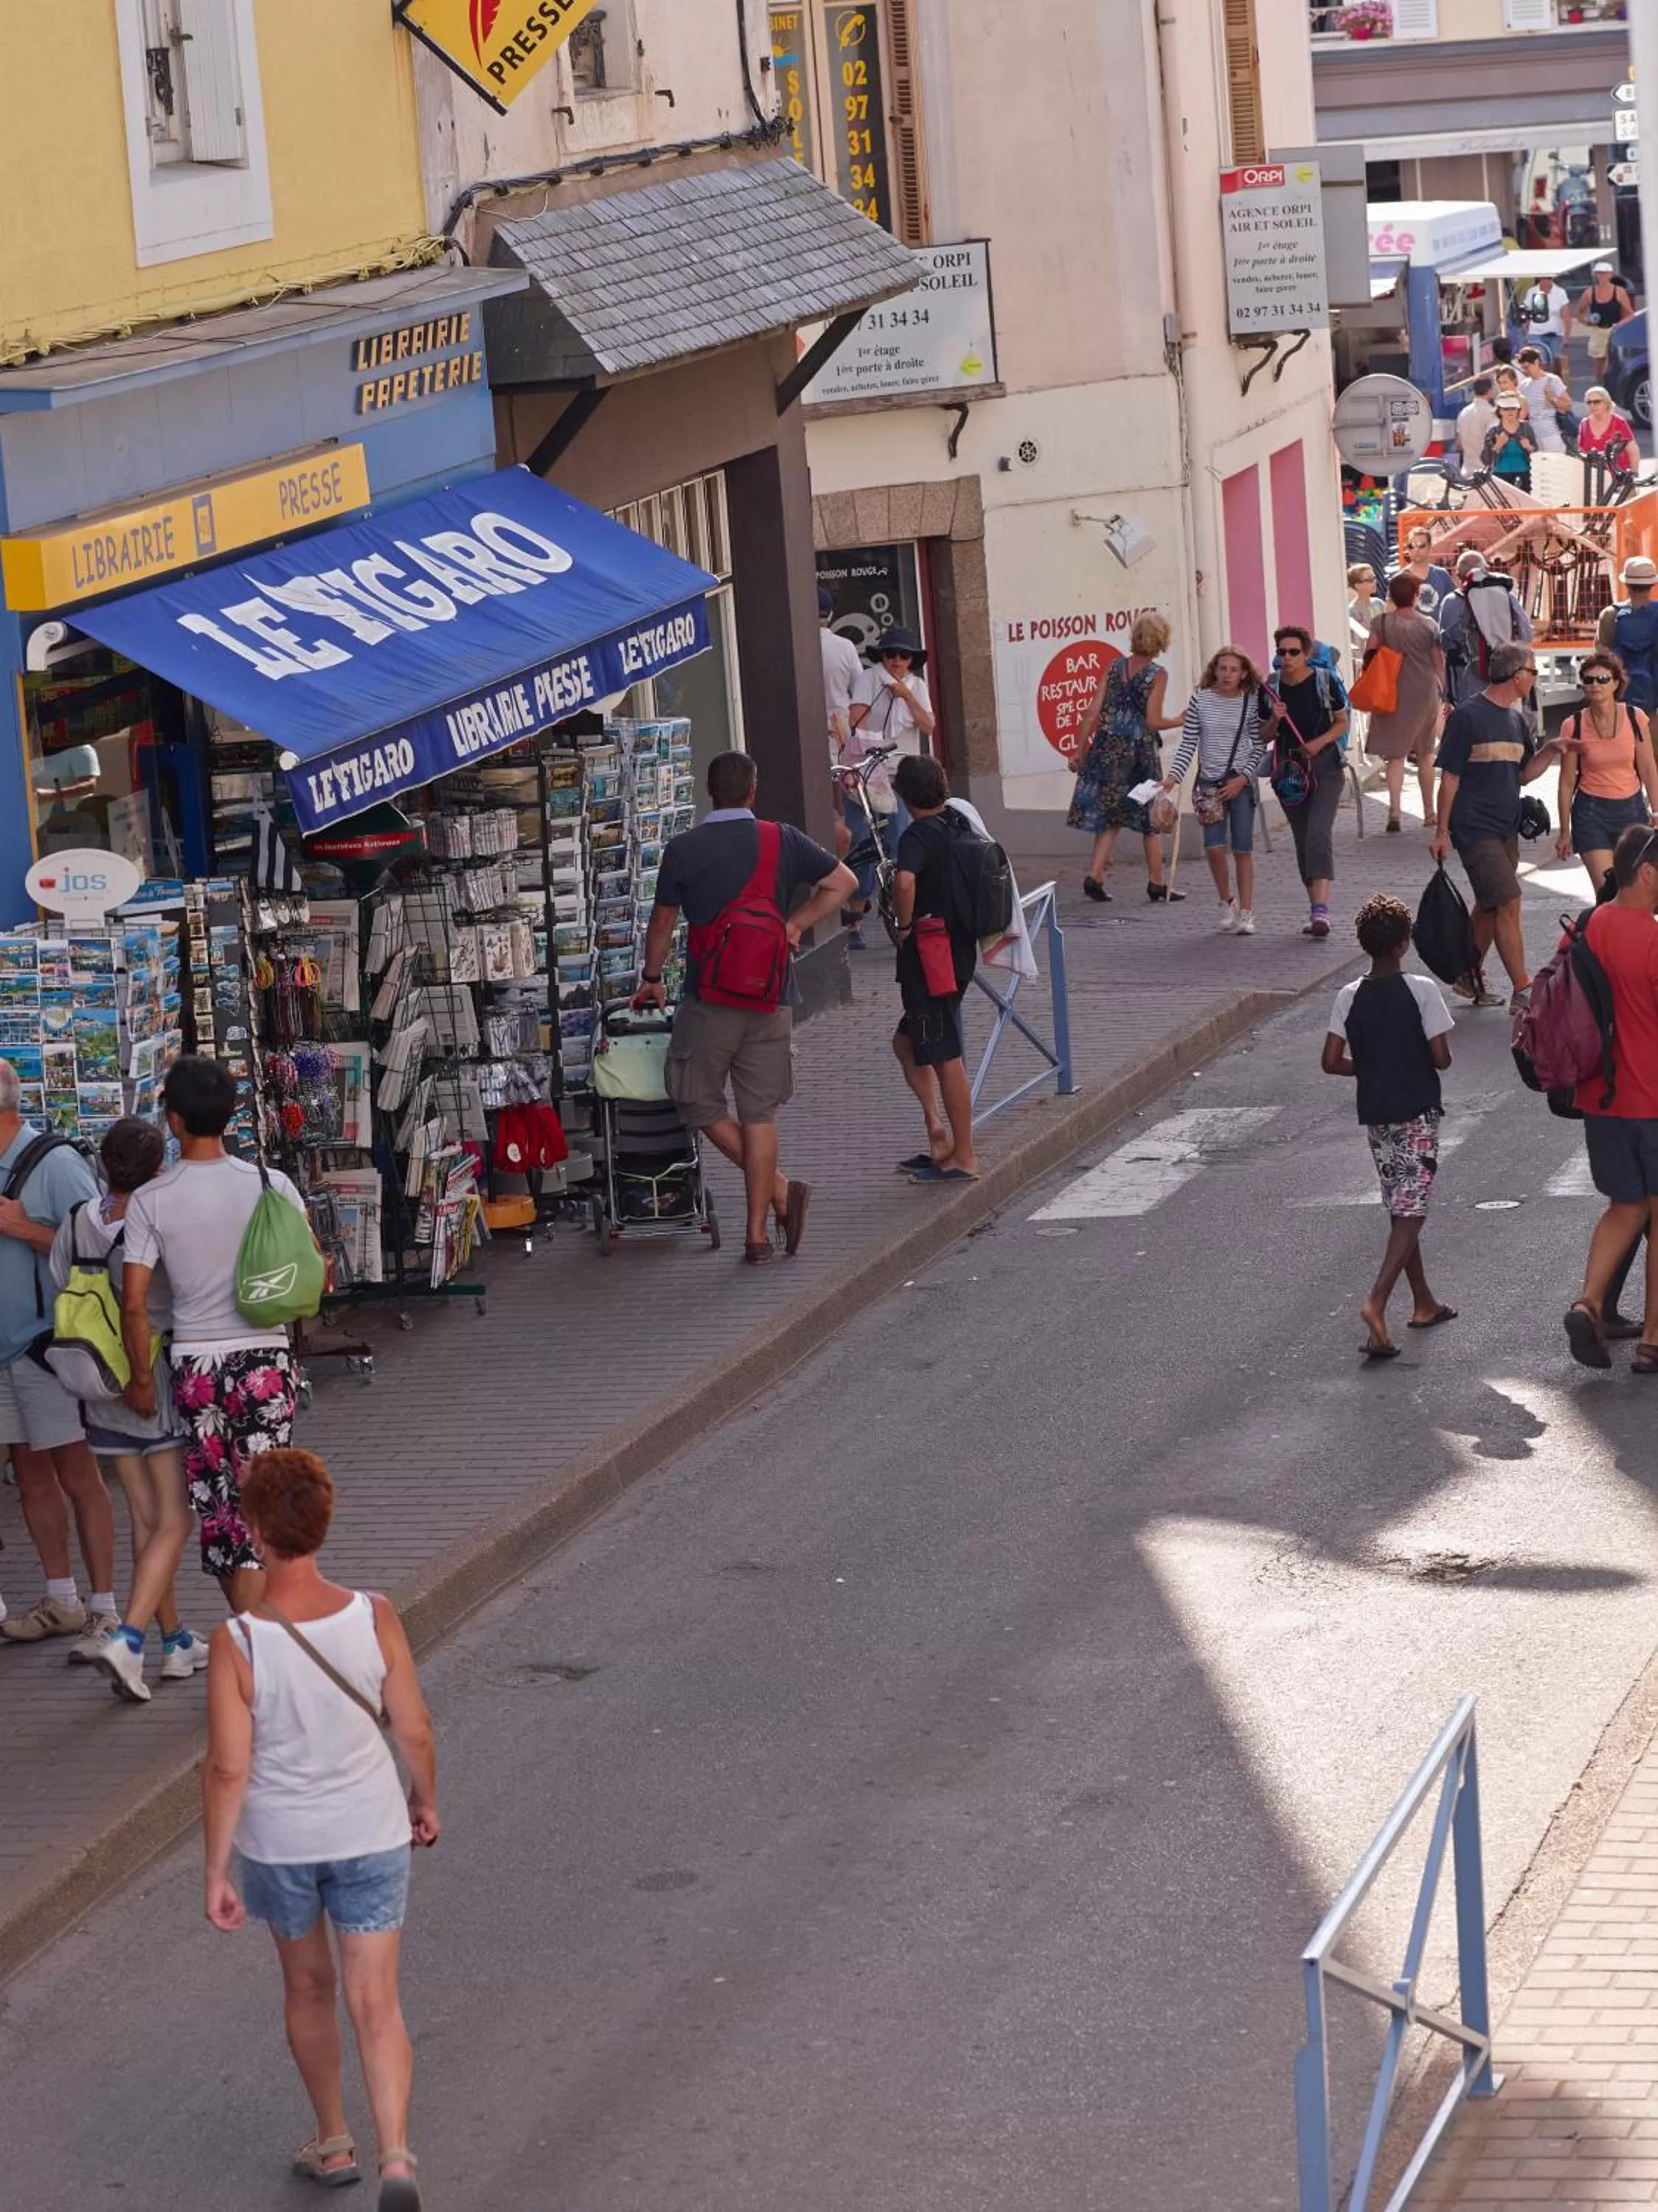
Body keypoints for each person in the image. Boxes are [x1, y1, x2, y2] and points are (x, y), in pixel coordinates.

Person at [203, 1447, 437, 2211]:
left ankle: (333, 2139)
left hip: (281, 1845)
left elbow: (228, 1770)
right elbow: (414, 1729)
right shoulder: (375, 1616)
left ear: (255, 1531)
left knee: (308, 1988)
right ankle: (396, 2156)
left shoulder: (237, 1642)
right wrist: (423, 1798)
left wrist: (215, 1870)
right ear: (323, 1523)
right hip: (370, 1831)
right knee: (378, 2000)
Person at [636, 751, 854, 1265]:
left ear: (709, 791)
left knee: (697, 1100)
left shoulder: (685, 849)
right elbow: (845, 883)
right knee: (760, 1113)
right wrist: (794, 924)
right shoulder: (784, 839)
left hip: (708, 1000)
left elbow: (663, 924)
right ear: (752, 791)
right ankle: (757, 1232)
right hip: (772, 996)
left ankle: (781, 1192)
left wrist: (651, 979)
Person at [119, 1056, 310, 1613]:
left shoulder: (152, 1200)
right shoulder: (270, 1185)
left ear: (173, 1120)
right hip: (264, 1359)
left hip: (196, 1367)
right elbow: (312, 1266)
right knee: (265, 1500)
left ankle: (253, 1636)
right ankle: (260, 1635)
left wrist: (139, 1379)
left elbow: (134, 1302)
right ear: (231, 1114)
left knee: (220, 1506)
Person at [47, 1118, 206, 1703]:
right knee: (171, 1520)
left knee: (144, 1519)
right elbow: (170, 1296)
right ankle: (136, 1646)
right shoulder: (153, 1220)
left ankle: (177, 1640)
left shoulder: (75, 1221)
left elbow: (59, 1283)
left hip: (97, 1388)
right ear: (158, 1167)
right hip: (150, 1380)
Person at [0, 1062, 119, 1658]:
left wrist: (26, 1229)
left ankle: (104, 1609)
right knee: (31, 1477)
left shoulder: (52, 1162)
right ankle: (61, 1598)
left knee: (78, 1477)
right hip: (6, 1353)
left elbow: (100, 1247)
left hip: (49, 1348)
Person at [1321, 893, 1457, 1360]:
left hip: (1376, 1113)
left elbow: (1330, 1061)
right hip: (1416, 1111)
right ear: (1404, 944)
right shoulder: (1422, 990)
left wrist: (1370, 1066)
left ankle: (1424, 1302)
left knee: (1401, 1204)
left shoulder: (1349, 996)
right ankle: (1376, 1302)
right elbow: (1441, 1057)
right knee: (1413, 1209)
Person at [1560, 823, 1658, 1373]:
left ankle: (1588, 1302)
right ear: (1645, 874)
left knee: (1628, 1205)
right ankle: (1652, 1342)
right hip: (1652, 1097)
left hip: (1600, 1097)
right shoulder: (1653, 938)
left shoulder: (1586, 926)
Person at [1432, 640, 1562, 1011]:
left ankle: (1467, 976)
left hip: (1507, 827)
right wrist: (1441, 832)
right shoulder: (1468, 717)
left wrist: (1551, 750)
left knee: (1490, 904)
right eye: (1534, 671)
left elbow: (1522, 775)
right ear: (1518, 675)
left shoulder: (1516, 719)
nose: (1535, 678)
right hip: (1474, 828)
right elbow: (1450, 779)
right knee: (1508, 900)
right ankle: (1524, 990)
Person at [889, 754, 981, 1184]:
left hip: (930, 956)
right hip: (959, 949)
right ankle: (937, 1131)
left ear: (905, 797)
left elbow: (905, 881)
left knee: (946, 1057)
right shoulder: (959, 822)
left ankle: (964, 1156)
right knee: (906, 1043)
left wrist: (903, 925)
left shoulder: (917, 835)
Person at [1066, 612, 1187, 904]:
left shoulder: (1113, 666)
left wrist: (1080, 749)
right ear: (1161, 639)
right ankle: (1156, 882)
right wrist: (1180, 720)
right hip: (1137, 753)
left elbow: (1091, 712)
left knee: (1110, 815)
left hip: (1106, 749)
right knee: (1150, 815)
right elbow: (1154, 721)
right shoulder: (1157, 674)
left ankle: (1094, 875)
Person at [1162, 645, 1269, 936]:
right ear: (1214, 671)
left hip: (1240, 783)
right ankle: (1226, 901)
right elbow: (1189, 743)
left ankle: (1247, 912)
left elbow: (1259, 746)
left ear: (1244, 673)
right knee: (1213, 847)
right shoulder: (1201, 700)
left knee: (1243, 848)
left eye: (1234, 669)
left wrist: (1244, 779)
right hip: (1209, 784)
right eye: (1222, 668)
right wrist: (1173, 778)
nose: (1227, 674)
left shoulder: (1251, 701)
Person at [1266, 625, 1349, 938]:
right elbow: (1263, 735)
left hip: (1326, 765)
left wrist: (1318, 743)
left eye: (1293, 652)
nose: (1287, 658)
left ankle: (1322, 911)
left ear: (1306, 654)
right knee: (1302, 838)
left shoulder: (1325, 682)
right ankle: (1315, 907)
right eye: (1281, 652)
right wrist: (1274, 718)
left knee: (1318, 833)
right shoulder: (1272, 688)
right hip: (1289, 771)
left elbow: (1342, 723)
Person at [1555, 650, 1658, 894]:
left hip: (1632, 810)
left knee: (1637, 893)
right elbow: (1567, 782)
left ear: (1616, 683)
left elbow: (1648, 769)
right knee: (1608, 893)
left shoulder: (1635, 718)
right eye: (1589, 680)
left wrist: (1656, 811)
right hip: (1591, 814)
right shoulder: (1573, 725)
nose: (1595, 685)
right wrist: (1564, 832)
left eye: (1602, 679)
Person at [1363, 571, 1444, 834]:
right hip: (1424, 691)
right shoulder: (1429, 625)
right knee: (1425, 752)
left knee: (1395, 755)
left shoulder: (1382, 623)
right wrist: (1441, 689)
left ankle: (1395, 810)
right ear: (1416, 596)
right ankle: (1430, 811)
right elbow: (1438, 662)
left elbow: (1369, 654)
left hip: (1392, 691)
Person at [821, 588, 877, 945]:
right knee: (848, 824)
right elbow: (859, 693)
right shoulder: (842, 647)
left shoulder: (790, 638)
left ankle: (830, 902)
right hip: (839, 743)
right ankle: (851, 910)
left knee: (826, 827)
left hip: (804, 741)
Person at [849, 625, 935, 851]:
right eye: (891, 654)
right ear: (883, 656)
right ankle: (866, 887)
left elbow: (928, 726)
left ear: (911, 660)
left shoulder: (917, 686)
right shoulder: (870, 678)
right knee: (865, 840)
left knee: (901, 836)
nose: (896, 660)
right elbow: (857, 719)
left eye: (903, 655)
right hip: (872, 772)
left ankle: (896, 884)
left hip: (903, 774)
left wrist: (906, 695)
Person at [1440, 549, 1533, 706]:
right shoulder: (1506, 596)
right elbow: (1526, 634)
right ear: (1486, 571)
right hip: (1508, 681)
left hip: (1469, 684)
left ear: (1458, 576)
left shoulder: (1451, 602)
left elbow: (1446, 643)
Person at [1597, 556, 1658, 714]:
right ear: (1652, 584)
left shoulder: (1610, 614)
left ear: (1627, 584)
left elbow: (1601, 652)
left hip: (1620, 692)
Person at [1577, 262, 1637, 376]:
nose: (1602, 276)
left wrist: (1623, 327)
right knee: (1598, 369)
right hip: (1598, 331)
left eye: (1605, 274)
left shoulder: (1619, 292)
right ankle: (1600, 390)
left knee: (1616, 365)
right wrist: (1587, 321)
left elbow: (1630, 314)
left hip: (1616, 331)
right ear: (1596, 275)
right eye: (1599, 274)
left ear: (1610, 275)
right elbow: (1580, 312)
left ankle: (1615, 391)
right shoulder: (1590, 293)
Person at [1516, 346, 1574, 456]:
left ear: (1537, 362)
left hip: (1552, 434)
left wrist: (1552, 399)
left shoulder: (1553, 380)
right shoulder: (1524, 386)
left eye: (1528, 367)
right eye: (1523, 368)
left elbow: (1568, 405)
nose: (1526, 371)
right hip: (1533, 435)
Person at [1391, 525, 1457, 619]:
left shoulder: (1442, 575)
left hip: (1438, 633)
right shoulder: (1398, 580)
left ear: (1430, 548)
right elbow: (1390, 614)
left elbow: (1454, 606)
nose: (1416, 550)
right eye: (1412, 546)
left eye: (1421, 546)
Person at [1577, 386, 1640, 476]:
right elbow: (1582, 452)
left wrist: (1634, 473)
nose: (1592, 405)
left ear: (1606, 403)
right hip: (1594, 479)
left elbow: (1632, 449)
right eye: (1589, 402)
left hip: (1619, 478)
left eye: (1596, 402)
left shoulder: (1619, 422)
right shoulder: (1584, 424)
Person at [1482, 392, 1539, 487]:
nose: (1510, 412)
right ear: (1499, 411)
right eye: (1506, 409)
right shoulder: (1493, 431)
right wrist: (1497, 446)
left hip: (1525, 475)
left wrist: (1529, 447)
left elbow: (1536, 451)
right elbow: (1485, 459)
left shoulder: (1526, 428)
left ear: (1518, 410)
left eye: (1513, 408)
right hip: (1500, 475)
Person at [1519, 274, 1574, 362]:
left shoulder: (1560, 292)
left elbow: (1566, 316)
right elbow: (1526, 313)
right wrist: (1525, 333)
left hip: (1555, 335)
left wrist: (1566, 336)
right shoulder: (1532, 292)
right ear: (1540, 278)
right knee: (1540, 361)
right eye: (1546, 278)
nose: (1548, 281)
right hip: (1536, 334)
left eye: (1550, 278)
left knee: (1557, 363)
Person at [1455, 375, 1499, 473]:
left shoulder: (1463, 413)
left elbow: (1459, 444)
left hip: (1466, 470)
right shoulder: (1491, 413)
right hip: (1486, 472)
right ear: (1490, 390)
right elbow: (1494, 442)